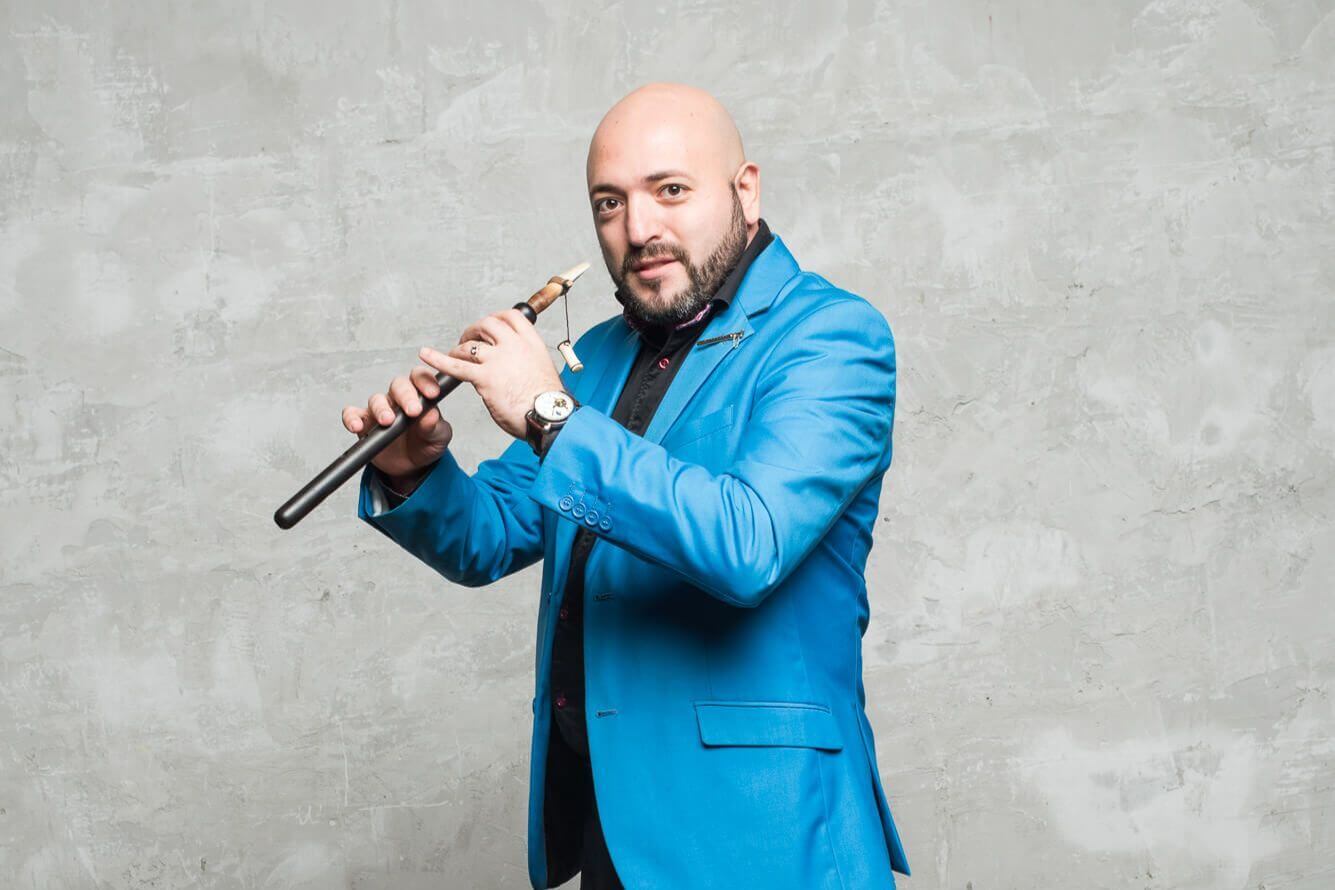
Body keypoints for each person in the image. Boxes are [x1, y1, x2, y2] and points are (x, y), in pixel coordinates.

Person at [343, 82, 912, 889]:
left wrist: (548, 412)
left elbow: (747, 543)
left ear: (744, 190)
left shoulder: (831, 337)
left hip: (767, 834)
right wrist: (413, 469)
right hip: (614, 827)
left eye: (669, 190)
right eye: (609, 203)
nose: (638, 229)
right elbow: (492, 534)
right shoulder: (600, 353)